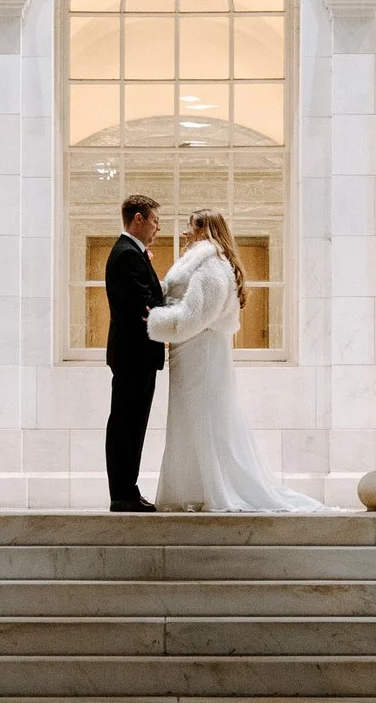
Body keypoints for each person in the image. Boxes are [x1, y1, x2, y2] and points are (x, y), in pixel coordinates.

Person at [145, 209, 323, 513]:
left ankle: (213, 489)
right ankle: (195, 489)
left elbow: (197, 316)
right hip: (189, 352)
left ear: (203, 230)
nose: (186, 233)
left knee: (206, 419)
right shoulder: (200, 263)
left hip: (201, 352)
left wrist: (155, 320)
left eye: (190, 227)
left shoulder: (212, 266)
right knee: (190, 420)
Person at [101, 192, 165, 512]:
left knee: (131, 423)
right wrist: (173, 322)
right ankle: (123, 494)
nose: (158, 227)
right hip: (133, 356)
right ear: (137, 219)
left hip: (135, 355)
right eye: (155, 220)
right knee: (127, 424)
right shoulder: (127, 254)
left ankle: (128, 489)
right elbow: (146, 304)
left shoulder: (133, 252)